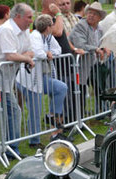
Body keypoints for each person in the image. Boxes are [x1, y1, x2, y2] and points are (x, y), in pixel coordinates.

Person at [0, 3, 35, 159]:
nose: (31, 20)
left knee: (14, 111)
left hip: (5, 79)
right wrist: (25, 58)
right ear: (18, 16)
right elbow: (10, 55)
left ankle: (11, 149)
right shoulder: (7, 29)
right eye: (29, 17)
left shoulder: (24, 32)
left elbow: (30, 51)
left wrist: (24, 56)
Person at [16, 14, 68, 146]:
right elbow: (37, 52)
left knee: (61, 88)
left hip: (41, 77)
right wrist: (46, 54)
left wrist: (49, 53)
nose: (53, 27)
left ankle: (51, 115)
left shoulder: (48, 37)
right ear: (48, 27)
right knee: (35, 109)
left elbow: (58, 50)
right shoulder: (35, 36)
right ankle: (34, 141)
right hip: (28, 79)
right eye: (52, 24)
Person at [69, 2, 111, 115]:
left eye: (94, 14)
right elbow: (80, 44)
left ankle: (102, 112)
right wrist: (96, 49)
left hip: (93, 64)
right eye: (89, 12)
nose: (91, 15)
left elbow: (101, 42)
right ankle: (78, 118)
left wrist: (104, 48)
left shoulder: (100, 29)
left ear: (100, 17)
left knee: (100, 87)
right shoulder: (81, 26)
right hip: (79, 66)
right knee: (79, 92)